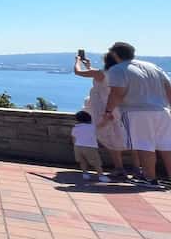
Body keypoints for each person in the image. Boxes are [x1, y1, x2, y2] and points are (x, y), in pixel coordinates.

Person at [104, 42, 171, 187]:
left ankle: (150, 179)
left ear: (115, 54)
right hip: (163, 110)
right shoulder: (153, 67)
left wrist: (108, 111)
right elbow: (169, 89)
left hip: (136, 111)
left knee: (144, 145)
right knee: (167, 146)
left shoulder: (117, 69)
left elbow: (117, 94)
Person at [73, 51, 129, 177]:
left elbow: (77, 72)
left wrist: (77, 61)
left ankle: (119, 168)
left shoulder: (100, 73)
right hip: (115, 105)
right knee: (118, 135)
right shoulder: (119, 74)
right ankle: (133, 168)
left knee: (110, 137)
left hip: (102, 106)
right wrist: (89, 66)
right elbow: (100, 76)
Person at [71, 110, 108, 182]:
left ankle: (85, 174)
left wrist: (75, 146)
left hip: (78, 146)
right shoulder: (91, 127)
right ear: (89, 119)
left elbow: (73, 138)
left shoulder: (75, 128)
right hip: (90, 147)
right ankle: (101, 176)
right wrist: (107, 119)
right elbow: (102, 125)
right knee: (96, 162)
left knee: (82, 161)